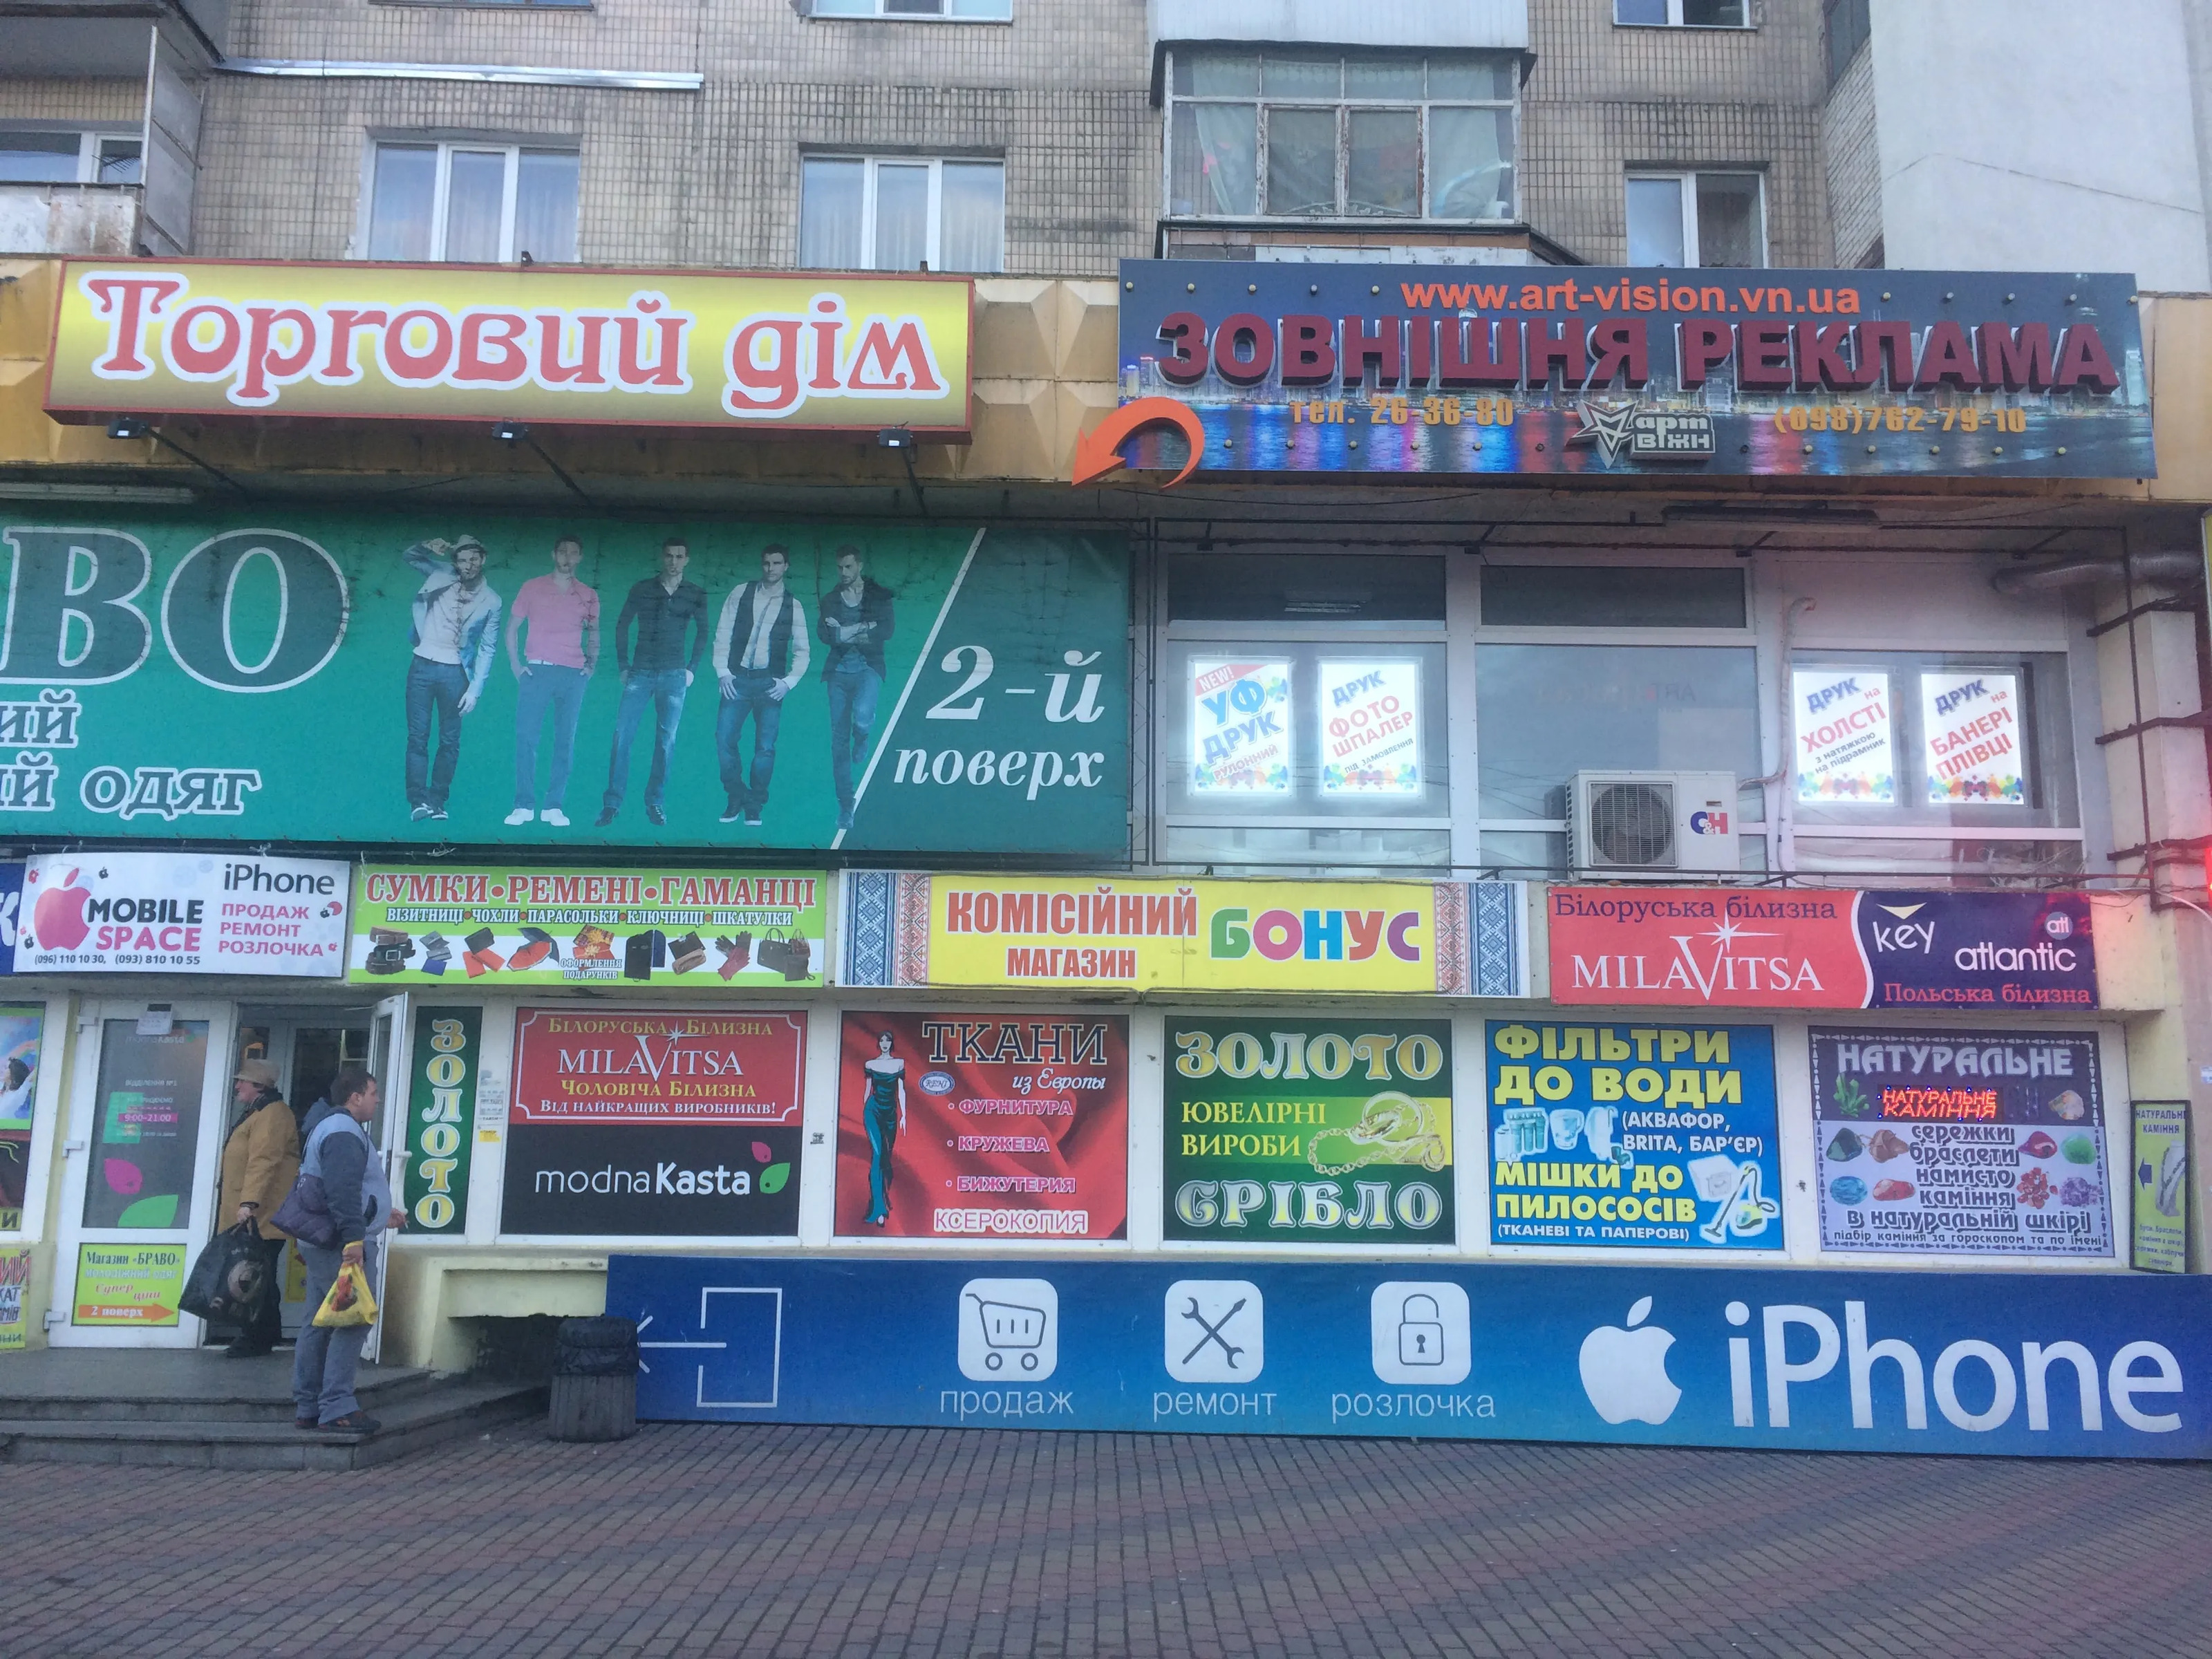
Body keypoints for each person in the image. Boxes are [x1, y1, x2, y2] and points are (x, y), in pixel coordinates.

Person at [292, 1065, 403, 1434]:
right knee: (354, 1317)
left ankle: (309, 1405)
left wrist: (381, 1213)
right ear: (355, 1097)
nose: (377, 1100)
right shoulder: (343, 1131)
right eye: (373, 1093)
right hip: (343, 1245)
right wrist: (355, 1238)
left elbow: (341, 1188)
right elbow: (341, 1190)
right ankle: (337, 1407)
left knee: (318, 1322)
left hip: (325, 1240)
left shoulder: (330, 1126)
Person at [597, 538, 707, 828]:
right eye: (669, 556)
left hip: (674, 675)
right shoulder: (643, 588)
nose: (674, 561)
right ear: (662, 557)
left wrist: (692, 669)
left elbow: (703, 632)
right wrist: (623, 665)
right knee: (622, 736)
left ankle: (655, 802)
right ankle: (612, 803)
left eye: (679, 556)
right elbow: (622, 625)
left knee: (666, 741)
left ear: (687, 560)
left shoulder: (695, 593)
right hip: (641, 672)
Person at [404, 535, 503, 823]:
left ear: (483, 559)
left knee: (449, 741)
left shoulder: (492, 601)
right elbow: (410, 556)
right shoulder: (440, 573)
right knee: (418, 737)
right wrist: (426, 545)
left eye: (474, 559)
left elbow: (488, 647)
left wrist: (475, 689)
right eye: (462, 559)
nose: (468, 565)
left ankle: (438, 801)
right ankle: (418, 801)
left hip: (456, 674)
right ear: (455, 562)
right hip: (422, 665)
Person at [506, 534, 601, 827]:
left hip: (572, 675)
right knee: (527, 738)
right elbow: (512, 629)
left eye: (573, 553)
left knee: (565, 740)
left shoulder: (588, 594)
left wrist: (591, 666)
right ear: (553, 554)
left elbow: (594, 632)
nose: (567, 558)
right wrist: (516, 666)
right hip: (538, 671)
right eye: (562, 552)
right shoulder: (532, 587)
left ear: (580, 557)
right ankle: (523, 805)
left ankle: (554, 806)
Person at [714, 545, 811, 828]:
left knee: (765, 748)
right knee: (724, 740)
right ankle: (736, 796)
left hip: (770, 684)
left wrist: (788, 683)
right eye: (767, 563)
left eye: (777, 563)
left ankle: (755, 804)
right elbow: (723, 633)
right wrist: (723, 672)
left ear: (786, 566)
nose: (771, 569)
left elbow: (803, 651)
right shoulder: (740, 592)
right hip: (737, 680)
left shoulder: (793, 605)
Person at [215, 1057, 300, 1358]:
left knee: (254, 1276)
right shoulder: (260, 1111)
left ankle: (256, 1338)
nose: (237, 1086)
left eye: (242, 1081)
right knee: (257, 1275)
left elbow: (264, 1160)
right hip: (255, 1214)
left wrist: (248, 1202)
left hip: (260, 1215)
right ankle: (262, 1335)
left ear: (259, 1086)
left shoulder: (272, 1114)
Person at [816, 544, 895, 834]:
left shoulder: (879, 596)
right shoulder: (830, 599)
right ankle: (846, 806)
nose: (844, 572)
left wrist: (845, 632)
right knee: (838, 741)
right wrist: (864, 628)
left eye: (848, 566)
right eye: (840, 567)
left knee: (862, 716)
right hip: (837, 674)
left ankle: (862, 737)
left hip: (868, 668)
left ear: (859, 565)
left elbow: (886, 631)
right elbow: (825, 635)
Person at [860, 1029, 906, 1228]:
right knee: (877, 1155)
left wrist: (904, 1115)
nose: (885, 1043)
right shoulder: (870, 1064)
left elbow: (901, 1090)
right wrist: (863, 1113)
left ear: (891, 1043)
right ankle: (879, 1209)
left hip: (891, 1114)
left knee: (886, 1157)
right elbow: (867, 1090)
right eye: (882, 1040)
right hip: (873, 1111)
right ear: (879, 1043)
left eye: (888, 1040)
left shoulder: (899, 1063)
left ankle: (883, 1197)